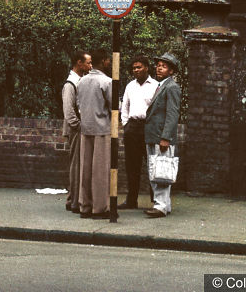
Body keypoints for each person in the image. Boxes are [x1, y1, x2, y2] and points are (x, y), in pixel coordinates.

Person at [118, 55, 158, 210]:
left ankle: (156, 201)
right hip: (132, 128)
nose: (136, 70)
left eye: (139, 67)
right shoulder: (130, 86)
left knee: (152, 164)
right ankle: (131, 200)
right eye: (134, 68)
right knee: (132, 166)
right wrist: (126, 124)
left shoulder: (155, 85)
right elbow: (125, 107)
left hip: (148, 127)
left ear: (147, 68)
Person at [145, 52, 181, 218]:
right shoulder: (162, 86)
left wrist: (165, 137)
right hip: (155, 136)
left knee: (161, 170)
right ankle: (164, 205)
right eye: (158, 65)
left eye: (164, 66)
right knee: (157, 169)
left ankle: (160, 206)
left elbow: (172, 114)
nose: (159, 68)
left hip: (161, 137)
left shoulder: (171, 87)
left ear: (171, 71)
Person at [76, 49, 112, 219]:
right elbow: (113, 107)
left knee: (85, 169)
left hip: (85, 128)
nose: (110, 63)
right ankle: (100, 208)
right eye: (108, 60)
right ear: (103, 61)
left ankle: (85, 206)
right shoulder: (106, 81)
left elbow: (78, 103)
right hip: (101, 129)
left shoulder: (81, 81)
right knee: (100, 171)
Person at [63, 50, 92, 214]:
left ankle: (73, 199)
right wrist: (79, 126)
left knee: (80, 165)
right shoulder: (70, 84)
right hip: (76, 130)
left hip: (80, 128)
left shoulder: (81, 81)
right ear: (79, 63)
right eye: (88, 62)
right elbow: (69, 112)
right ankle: (74, 201)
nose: (90, 65)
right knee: (76, 165)